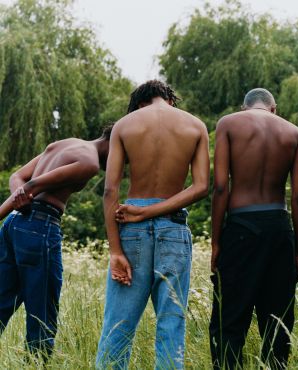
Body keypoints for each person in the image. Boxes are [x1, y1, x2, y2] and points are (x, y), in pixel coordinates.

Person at [96, 80, 209, 370]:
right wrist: (155, 212)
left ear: (139, 103)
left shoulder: (124, 125)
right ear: (170, 99)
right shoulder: (196, 126)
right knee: (172, 324)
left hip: (130, 227)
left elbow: (110, 192)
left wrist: (115, 251)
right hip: (173, 228)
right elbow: (200, 187)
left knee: (117, 326)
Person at [209, 88, 298, 369]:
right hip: (279, 227)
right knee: (277, 323)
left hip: (241, 226)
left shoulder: (229, 124)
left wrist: (216, 243)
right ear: (274, 108)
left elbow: (220, 187)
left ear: (245, 107)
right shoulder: (294, 133)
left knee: (230, 320)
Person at [0, 126, 112, 359]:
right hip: (40, 227)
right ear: (112, 141)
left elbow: (18, 178)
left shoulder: (67, 142)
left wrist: (18, 203)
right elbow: (32, 186)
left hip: (15, 224)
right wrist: (18, 200)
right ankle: (36, 364)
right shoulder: (90, 162)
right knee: (43, 312)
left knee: (1, 300)